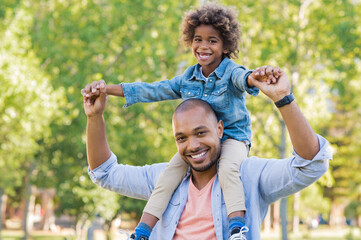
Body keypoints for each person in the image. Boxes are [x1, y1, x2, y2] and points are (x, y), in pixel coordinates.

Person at [84, 3, 281, 239]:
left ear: (226, 45)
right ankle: (142, 232)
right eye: (198, 39)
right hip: (199, 146)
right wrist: (106, 90)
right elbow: (153, 90)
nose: (203, 46)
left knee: (229, 168)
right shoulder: (188, 78)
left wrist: (255, 77)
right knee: (167, 177)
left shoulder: (231, 72)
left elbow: (244, 79)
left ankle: (237, 228)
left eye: (212, 40)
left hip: (232, 140)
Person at [82, 67, 332, 239]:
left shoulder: (250, 176)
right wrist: (95, 117)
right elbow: (105, 173)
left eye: (201, 133)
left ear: (220, 129)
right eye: (182, 138)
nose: (192, 146)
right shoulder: (164, 179)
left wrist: (283, 99)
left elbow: (311, 164)